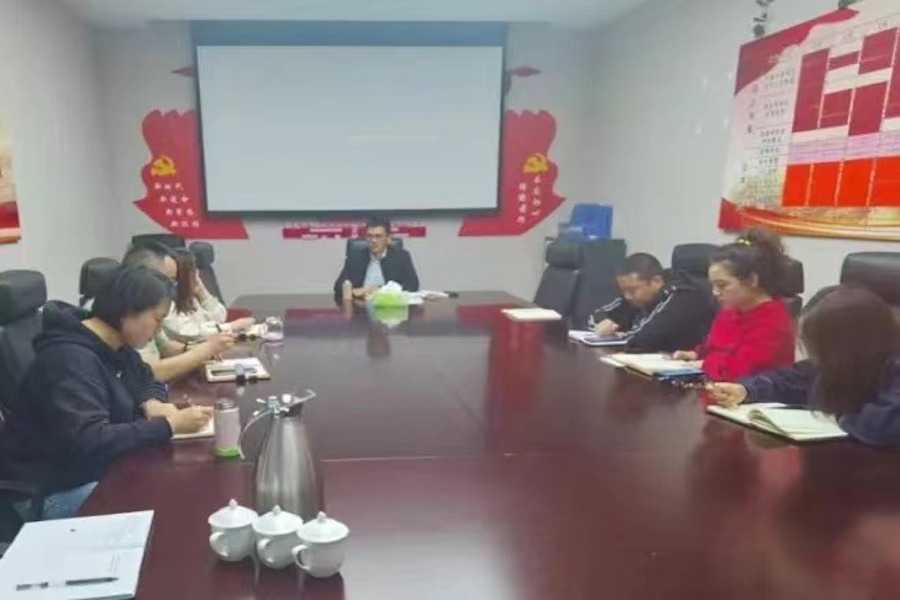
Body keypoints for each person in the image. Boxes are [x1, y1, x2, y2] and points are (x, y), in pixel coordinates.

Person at [0, 266, 213, 519]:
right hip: (52, 489)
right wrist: (169, 425)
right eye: (157, 320)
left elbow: (147, 377)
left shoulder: (116, 345)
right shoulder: (69, 359)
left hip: (94, 469)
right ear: (128, 311)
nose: (158, 331)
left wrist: (151, 401)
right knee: (167, 501)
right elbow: (90, 439)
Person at [708, 286, 900, 447]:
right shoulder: (845, 362)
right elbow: (794, 379)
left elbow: (886, 426)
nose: (814, 356)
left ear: (846, 345)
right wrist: (746, 390)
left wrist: (839, 415)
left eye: (821, 347)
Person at [673, 228, 795, 381]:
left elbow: (736, 372)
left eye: (722, 285)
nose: (715, 292)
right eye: (713, 285)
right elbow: (712, 347)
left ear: (752, 280)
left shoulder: (774, 322)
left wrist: (704, 364)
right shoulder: (730, 310)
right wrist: (694, 355)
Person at [114, 243, 235, 382]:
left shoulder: (145, 308)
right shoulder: (128, 313)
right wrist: (205, 351)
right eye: (167, 281)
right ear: (143, 278)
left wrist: (194, 349)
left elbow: (165, 346)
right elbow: (148, 373)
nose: (171, 289)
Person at [588, 253, 716, 352]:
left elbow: (642, 339)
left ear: (657, 281)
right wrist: (611, 321)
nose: (627, 296)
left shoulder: (682, 296)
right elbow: (595, 317)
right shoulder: (635, 297)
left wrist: (616, 334)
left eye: (632, 290)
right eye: (624, 291)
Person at [162, 249, 254, 343]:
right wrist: (231, 326)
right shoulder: (165, 300)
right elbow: (190, 333)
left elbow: (220, 317)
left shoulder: (192, 294)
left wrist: (202, 292)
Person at [332, 216, 419, 299]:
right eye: (370, 236)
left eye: (378, 236)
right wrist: (354, 291)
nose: (373, 241)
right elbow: (338, 286)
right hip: (360, 305)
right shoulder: (356, 257)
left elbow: (412, 286)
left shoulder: (401, 257)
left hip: (388, 305)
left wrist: (379, 290)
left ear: (388, 238)